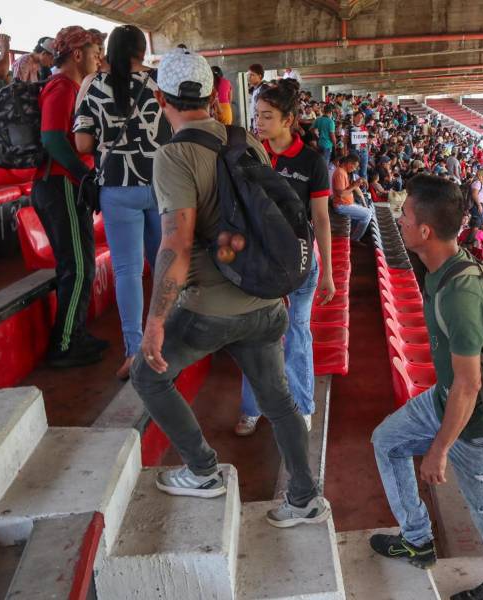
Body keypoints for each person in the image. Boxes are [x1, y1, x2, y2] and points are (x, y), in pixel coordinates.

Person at [130, 48, 332, 526]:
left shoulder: (174, 156)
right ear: (210, 94)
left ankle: (203, 469)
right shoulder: (247, 140)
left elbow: (176, 246)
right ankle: (304, 498)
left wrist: (155, 321)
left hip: (210, 310)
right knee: (278, 400)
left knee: (147, 374)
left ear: (162, 99)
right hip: (265, 302)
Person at [371, 174, 483, 600]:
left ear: (425, 231)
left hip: (481, 428)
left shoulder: (461, 294)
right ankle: (417, 538)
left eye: (403, 215)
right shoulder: (440, 268)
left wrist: (439, 448)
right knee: (387, 441)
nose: (398, 220)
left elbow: (469, 384)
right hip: (445, 401)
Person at [236, 78, 335, 436]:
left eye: (266, 116)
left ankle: (303, 405)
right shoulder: (249, 156)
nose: (258, 123)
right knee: (258, 335)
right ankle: (252, 407)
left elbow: (321, 218)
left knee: (297, 333)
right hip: (259, 263)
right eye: (256, 116)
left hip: (301, 263)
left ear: (288, 119)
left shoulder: (312, 162)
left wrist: (328, 272)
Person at [74, 24, 171, 379]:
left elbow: (83, 144)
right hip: (162, 186)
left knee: (128, 272)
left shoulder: (95, 86)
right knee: (165, 267)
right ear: (141, 51)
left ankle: (134, 352)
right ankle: (167, 345)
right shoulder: (162, 83)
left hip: (117, 187)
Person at [32, 26, 104, 368]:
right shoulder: (61, 87)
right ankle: (63, 345)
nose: (98, 57)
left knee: (81, 264)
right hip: (59, 186)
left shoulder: (74, 87)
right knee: (76, 267)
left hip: (66, 184)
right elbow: (53, 140)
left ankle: (74, 333)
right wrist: (83, 176)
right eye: (94, 51)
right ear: (77, 54)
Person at [331, 153, 372, 241]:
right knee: (368, 214)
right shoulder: (340, 173)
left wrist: (355, 183)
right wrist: (354, 185)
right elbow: (341, 194)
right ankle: (355, 239)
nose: (355, 169)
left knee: (368, 210)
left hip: (347, 203)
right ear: (349, 163)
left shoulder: (344, 172)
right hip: (341, 205)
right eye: (354, 166)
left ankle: (353, 236)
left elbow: (348, 188)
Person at [246, 63, 268, 133]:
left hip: (262, 127)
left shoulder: (264, 88)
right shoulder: (254, 89)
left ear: (260, 76)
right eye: (248, 75)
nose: (249, 77)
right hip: (256, 125)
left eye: (252, 75)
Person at [349, 111, 370, 180]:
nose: (360, 118)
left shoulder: (364, 127)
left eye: (361, 117)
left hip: (364, 151)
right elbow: (345, 140)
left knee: (363, 172)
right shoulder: (350, 128)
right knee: (355, 171)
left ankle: (363, 190)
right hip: (354, 151)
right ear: (354, 117)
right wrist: (345, 151)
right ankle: (356, 189)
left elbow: (366, 140)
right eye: (358, 117)